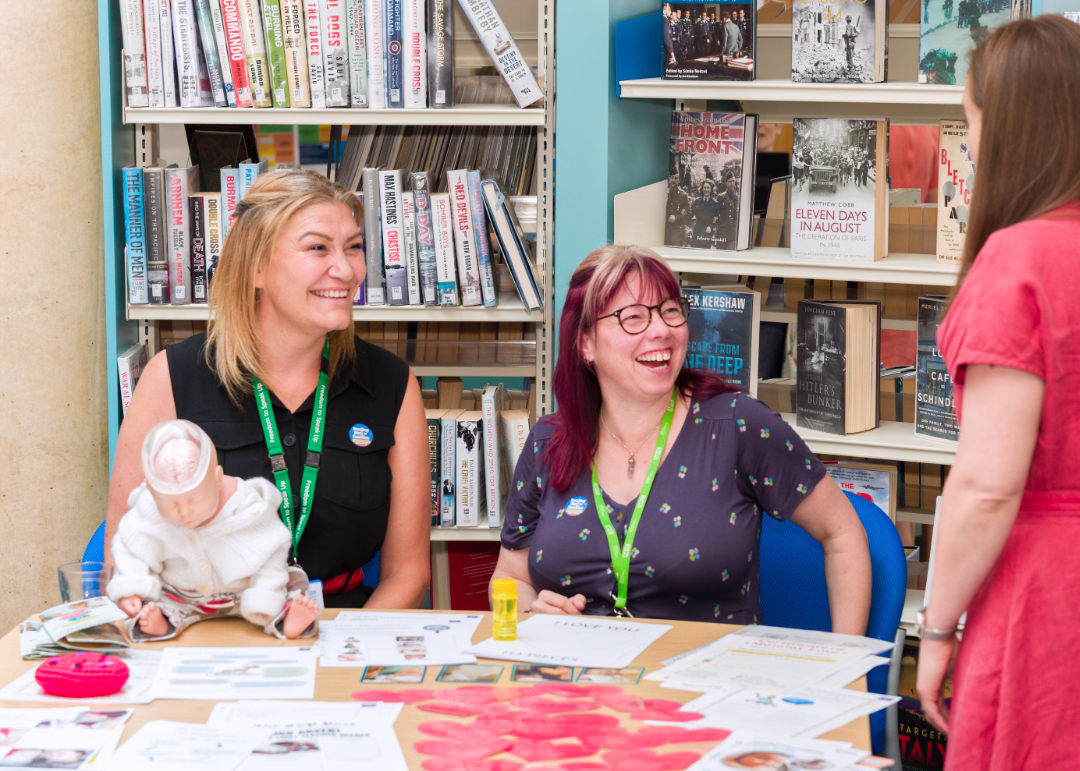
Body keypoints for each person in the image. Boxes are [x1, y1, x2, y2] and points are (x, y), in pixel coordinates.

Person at [489, 246, 872, 626]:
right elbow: (512, 576)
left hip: (707, 679)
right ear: (586, 342)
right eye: (633, 317)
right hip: (584, 677)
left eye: (670, 310)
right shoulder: (549, 443)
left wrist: (846, 666)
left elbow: (842, 531)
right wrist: (531, 613)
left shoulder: (738, 427)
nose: (661, 330)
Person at [103, 169, 431, 609]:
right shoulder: (171, 379)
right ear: (256, 267)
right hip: (205, 627)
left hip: (346, 627)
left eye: (354, 247)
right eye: (318, 247)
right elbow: (124, 554)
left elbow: (407, 572)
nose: (347, 269)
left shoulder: (392, 384)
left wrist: (341, 657)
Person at [915, 17, 1080, 768]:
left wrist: (937, 627)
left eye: (969, 118)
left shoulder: (1021, 260)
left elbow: (987, 485)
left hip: (1047, 598)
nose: (969, 142)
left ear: (1008, 127)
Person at [107, 420, 319, 640]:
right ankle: (162, 621)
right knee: (149, 601)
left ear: (217, 479)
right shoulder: (149, 510)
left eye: (195, 500)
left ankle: (287, 618)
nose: (185, 512)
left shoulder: (246, 505)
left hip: (244, 592)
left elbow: (271, 552)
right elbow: (132, 547)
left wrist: (264, 596)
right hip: (182, 595)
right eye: (170, 504)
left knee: (290, 582)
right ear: (151, 491)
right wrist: (131, 586)